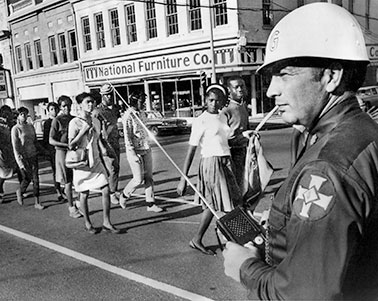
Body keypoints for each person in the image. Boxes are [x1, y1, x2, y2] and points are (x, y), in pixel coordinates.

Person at [222, 3, 378, 300]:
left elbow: (303, 293)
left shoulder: (327, 167)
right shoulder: (362, 131)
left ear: (331, 76)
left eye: (285, 74)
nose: (270, 90)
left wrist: (244, 267)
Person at [177, 84, 243, 255]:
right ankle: (230, 240)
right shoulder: (201, 120)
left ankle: (200, 239)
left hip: (225, 161)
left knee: (230, 201)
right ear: (205, 100)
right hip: (211, 163)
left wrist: (246, 136)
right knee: (216, 204)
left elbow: (226, 140)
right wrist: (183, 179)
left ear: (222, 101)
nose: (213, 103)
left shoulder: (222, 117)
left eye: (217, 100)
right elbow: (191, 151)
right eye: (210, 100)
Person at [68, 92, 120, 234]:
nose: (91, 105)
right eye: (87, 102)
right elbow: (70, 145)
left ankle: (106, 222)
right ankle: (87, 223)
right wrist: (83, 131)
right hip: (83, 163)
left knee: (105, 189)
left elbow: (97, 139)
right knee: (84, 194)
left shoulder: (95, 120)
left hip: (96, 160)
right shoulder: (75, 122)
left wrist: (105, 151)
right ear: (80, 105)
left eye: (92, 102)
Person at [119, 91, 163, 213]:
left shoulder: (142, 114)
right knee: (138, 179)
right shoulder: (128, 116)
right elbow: (127, 137)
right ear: (134, 101)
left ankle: (150, 203)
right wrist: (132, 153)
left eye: (144, 101)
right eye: (141, 101)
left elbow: (144, 130)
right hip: (134, 150)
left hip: (146, 147)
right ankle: (124, 195)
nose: (143, 103)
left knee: (149, 177)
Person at [49, 96, 82, 218]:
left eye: (68, 105)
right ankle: (71, 207)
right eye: (64, 106)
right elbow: (51, 140)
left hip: (74, 152)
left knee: (78, 178)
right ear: (60, 107)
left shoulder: (75, 119)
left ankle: (79, 202)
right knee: (68, 181)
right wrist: (66, 145)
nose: (67, 108)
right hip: (62, 152)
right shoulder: (56, 120)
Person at [92, 84, 121, 205]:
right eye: (106, 94)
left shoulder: (114, 109)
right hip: (105, 143)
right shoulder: (97, 112)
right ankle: (111, 193)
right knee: (112, 169)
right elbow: (96, 132)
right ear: (102, 95)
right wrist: (102, 146)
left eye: (110, 94)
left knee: (116, 168)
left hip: (115, 141)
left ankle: (113, 190)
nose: (109, 96)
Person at [220, 76, 249, 189]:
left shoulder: (242, 105)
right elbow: (224, 138)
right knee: (235, 185)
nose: (240, 89)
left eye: (242, 86)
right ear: (229, 90)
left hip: (244, 150)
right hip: (232, 154)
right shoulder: (226, 109)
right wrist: (243, 136)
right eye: (236, 87)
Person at [11, 107, 44, 209]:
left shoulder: (30, 126)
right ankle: (20, 191)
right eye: (21, 114)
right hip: (24, 157)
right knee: (27, 178)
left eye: (25, 114)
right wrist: (20, 163)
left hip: (33, 155)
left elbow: (35, 141)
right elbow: (15, 148)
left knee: (36, 179)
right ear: (18, 116)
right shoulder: (15, 129)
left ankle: (37, 202)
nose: (24, 116)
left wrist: (42, 151)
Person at [0, 106, 21, 204]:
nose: (10, 115)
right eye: (8, 113)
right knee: (4, 173)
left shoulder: (11, 123)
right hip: (2, 152)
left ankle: (22, 189)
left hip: (11, 151)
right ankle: (0, 192)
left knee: (19, 169)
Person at [42, 102, 63, 201]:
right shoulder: (47, 123)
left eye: (55, 109)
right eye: (51, 109)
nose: (54, 111)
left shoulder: (61, 120)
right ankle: (58, 191)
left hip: (62, 148)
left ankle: (64, 189)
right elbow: (46, 139)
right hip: (53, 150)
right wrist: (47, 151)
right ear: (48, 111)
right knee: (56, 171)